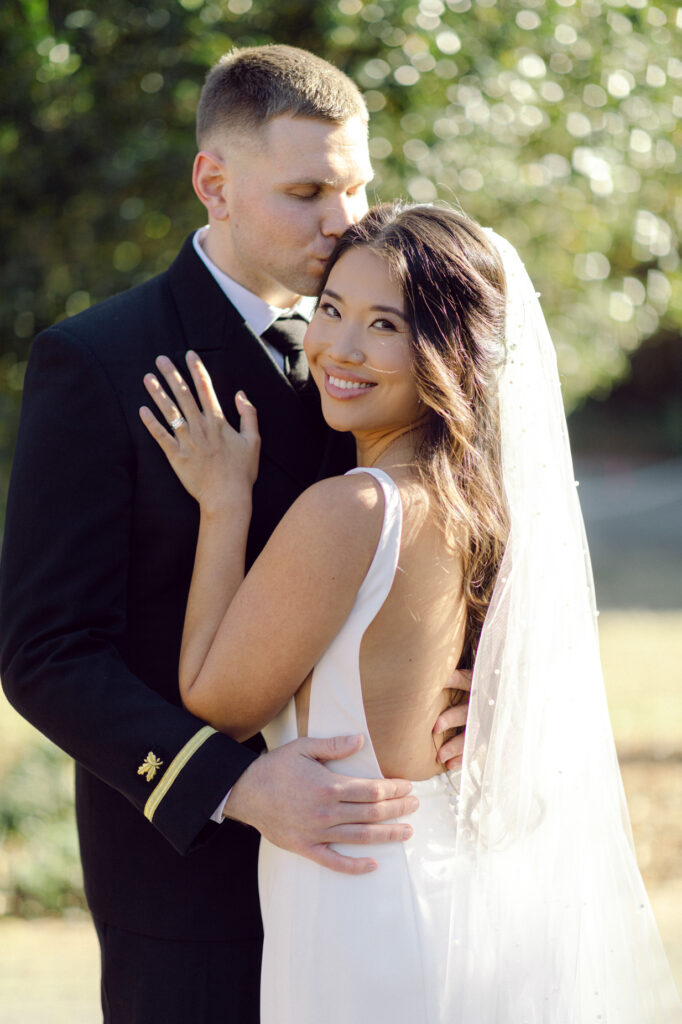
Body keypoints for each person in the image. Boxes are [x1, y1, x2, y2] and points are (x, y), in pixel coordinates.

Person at [0, 48, 468, 1023]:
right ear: (213, 182)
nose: (342, 218)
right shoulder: (97, 362)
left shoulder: (387, 353)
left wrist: (479, 688)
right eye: (305, 191)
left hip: (375, 873)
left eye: (355, 184)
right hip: (192, 886)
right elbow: (45, 654)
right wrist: (233, 784)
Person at [142, 201, 681, 1022]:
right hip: (447, 881)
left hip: (363, 903)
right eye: (330, 309)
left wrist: (224, 503)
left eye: (384, 325)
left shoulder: (352, 508)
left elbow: (218, 701)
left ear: (449, 351)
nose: (339, 349)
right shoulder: (479, 504)